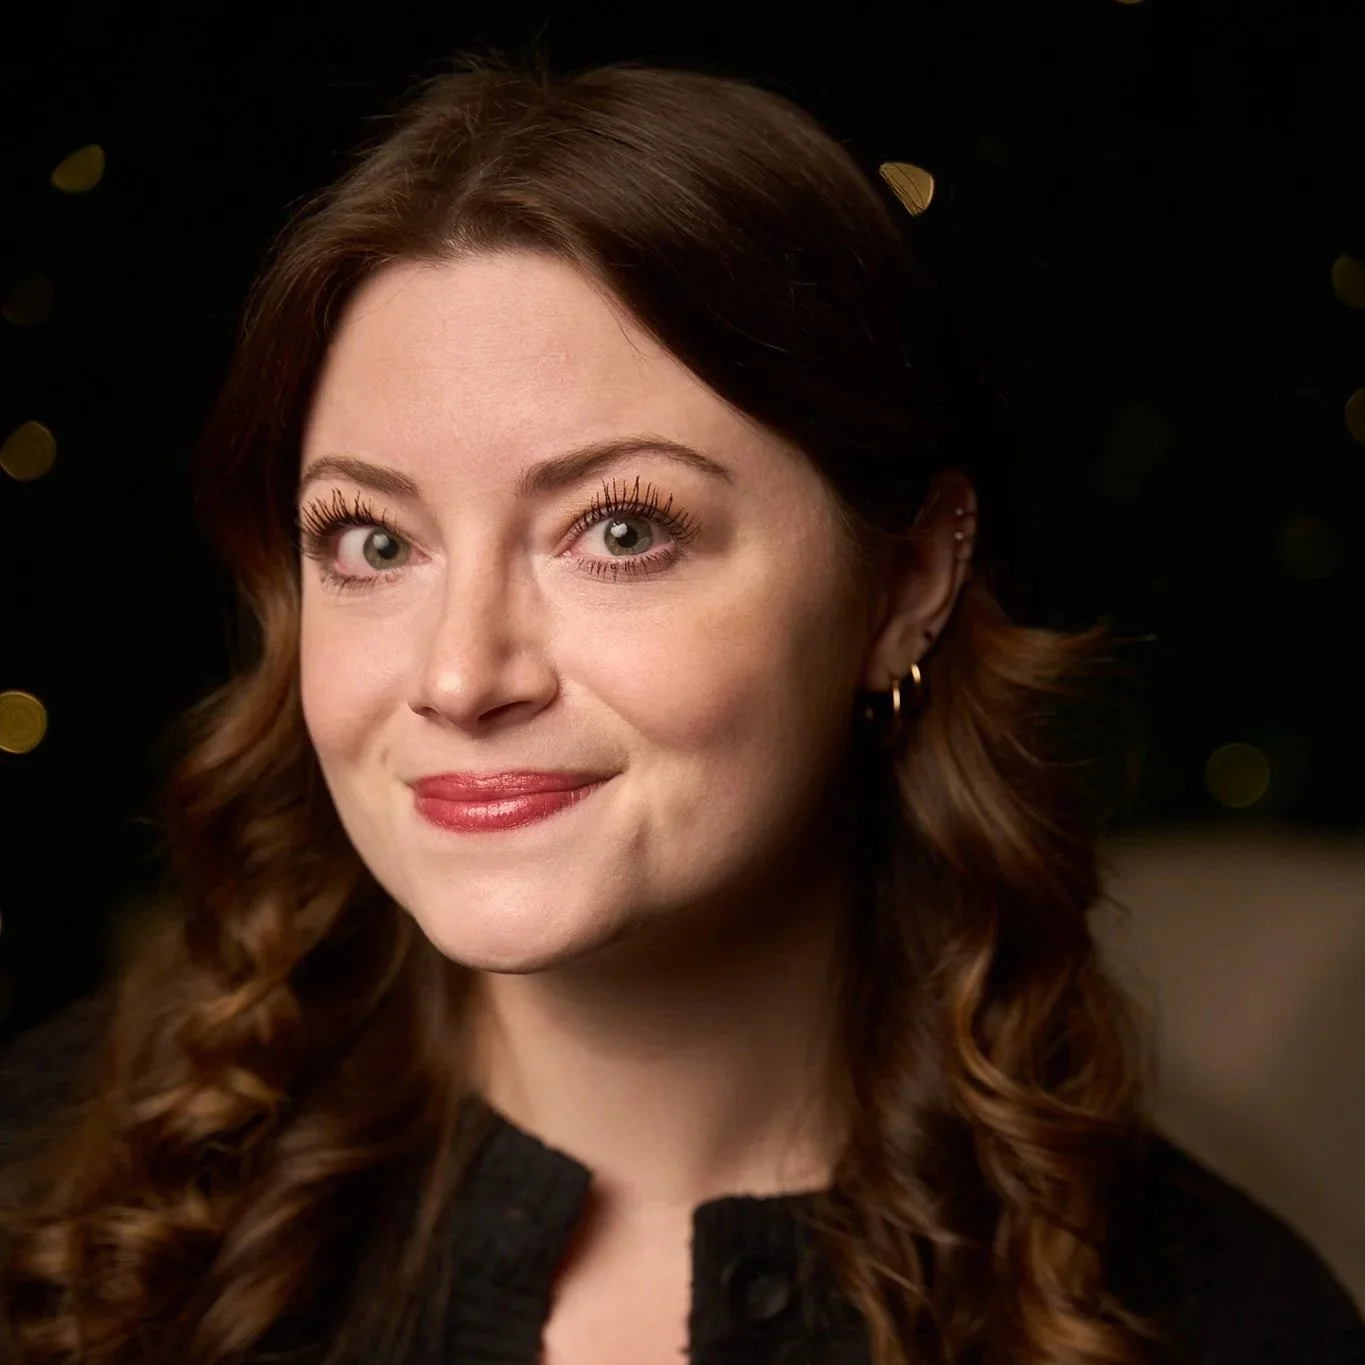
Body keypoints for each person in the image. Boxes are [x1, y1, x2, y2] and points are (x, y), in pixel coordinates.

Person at [1, 54, 1361, 1365]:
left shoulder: (1223, 1324)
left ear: (906, 580)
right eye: (372, 541)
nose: (464, 677)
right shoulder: (51, 1181)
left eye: (622, 531)